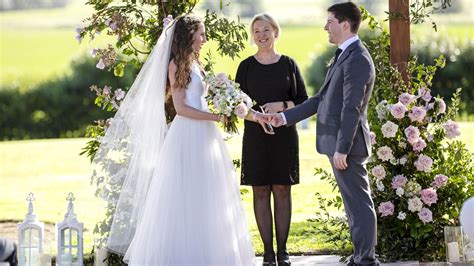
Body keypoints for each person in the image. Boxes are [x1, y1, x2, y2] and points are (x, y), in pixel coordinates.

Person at [94, 15, 255, 265]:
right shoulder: (176, 65)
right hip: (187, 135)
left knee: (208, 194)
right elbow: (181, 108)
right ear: (188, 35)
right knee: (186, 193)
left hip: (205, 136)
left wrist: (227, 95)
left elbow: (200, 97)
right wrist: (215, 116)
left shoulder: (195, 63)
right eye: (201, 34)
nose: (204, 39)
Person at [266, 2, 379, 265]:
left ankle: (366, 260)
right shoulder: (344, 55)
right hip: (340, 145)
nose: (325, 27)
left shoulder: (358, 58)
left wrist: (342, 148)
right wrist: (283, 117)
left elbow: (351, 107)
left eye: (329, 21)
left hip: (347, 147)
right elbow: (321, 100)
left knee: (359, 204)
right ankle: (361, 256)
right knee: (353, 206)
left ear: (345, 24)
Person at [235, 13, 308, 266]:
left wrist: (281, 106)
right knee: (261, 190)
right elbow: (237, 106)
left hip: (284, 135)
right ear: (252, 36)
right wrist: (259, 119)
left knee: (282, 189)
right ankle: (267, 252)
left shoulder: (289, 64)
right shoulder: (245, 66)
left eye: (266, 30)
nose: (262, 35)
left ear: (276, 32)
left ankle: (284, 251)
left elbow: (304, 102)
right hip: (256, 136)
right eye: (256, 31)